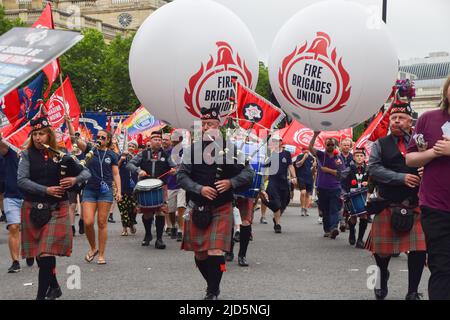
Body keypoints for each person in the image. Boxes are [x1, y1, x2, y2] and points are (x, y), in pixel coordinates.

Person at [177, 107, 253, 300]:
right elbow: (181, 176)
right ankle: (213, 286)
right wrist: (198, 188)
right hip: (198, 205)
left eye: (210, 124)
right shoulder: (192, 150)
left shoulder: (230, 148)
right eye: (203, 124)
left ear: (219, 125)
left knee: (215, 250)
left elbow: (248, 173)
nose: (205, 127)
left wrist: (231, 183)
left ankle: (212, 292)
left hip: (222, 206)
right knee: (201, 255)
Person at [17, 117, 90, 299]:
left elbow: (86, 172)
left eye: (41, 133)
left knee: (46, 252)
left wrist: (75, 179)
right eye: (34, 134)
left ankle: (40, 297)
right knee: (41, 255)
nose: (37, 137)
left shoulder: (62, 155)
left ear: (49, 135)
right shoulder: (26, 155)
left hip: (58, 208)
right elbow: (22, 180)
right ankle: (55, 287)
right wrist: (46, 190)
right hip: (33, 208)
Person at [367, 102, 426, 300]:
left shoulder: (420, 144)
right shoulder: (379, 144)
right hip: (388, 204)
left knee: (419, 250)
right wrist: (400, 177)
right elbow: (373, 168)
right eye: (393, 118)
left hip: (414, 203)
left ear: (411, 123)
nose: (396, 121)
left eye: (401, 118)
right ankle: (381, 278)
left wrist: (425, 170)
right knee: (382, 252)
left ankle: (412, 292)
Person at [406, 75, 450, 300]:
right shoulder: (428, 118)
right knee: (441, 267)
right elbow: (410, 158)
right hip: (436, 207)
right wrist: (434, 152)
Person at [76, 129, 122, 265]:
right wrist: (69, 124)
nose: (100, 139)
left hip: (105, 191)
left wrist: (119, 191)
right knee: (88, 222)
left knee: (102, 222)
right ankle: (93, 248)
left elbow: (116, 174)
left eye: (103, 137)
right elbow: (76, 142)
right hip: (89, 190)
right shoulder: (90, 150)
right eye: (98, 136)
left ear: (108, 140)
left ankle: (101, 254)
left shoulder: (112, 155)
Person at [127, 131, 176, 249]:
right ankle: (148, 234)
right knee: (147, 213)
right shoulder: (143, 154)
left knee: (160, 212)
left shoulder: (166, 155)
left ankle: (159, 239)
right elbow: (130, 164)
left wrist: (174, 170)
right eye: (156, 139)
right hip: (145, 187)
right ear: (150, 141)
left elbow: (174, 166)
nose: (158, 141)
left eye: (160, 139)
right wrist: (139, 171)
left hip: (161, 187)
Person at [309, 133, 345, 239]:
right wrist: (315, 135)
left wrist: (328, 170)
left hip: (335, 187)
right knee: (325, 210)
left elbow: (341, 173)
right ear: (325, 145)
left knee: (334, 209)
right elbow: (310, 148)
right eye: (328, 145)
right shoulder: (320, 155)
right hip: (322, 187)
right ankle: (327, 230)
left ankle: (334, 228)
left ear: (335, 146)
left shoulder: (338, 158)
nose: (330, 146)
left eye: (332, 145)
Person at [260, 135, 297, 234]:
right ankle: (278, 224)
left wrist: (294, 177)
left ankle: (276, 217)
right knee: (276, 203)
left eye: (278, 141)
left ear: (281, 142)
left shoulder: (287, 154)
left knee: (285, 202)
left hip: (284, 182)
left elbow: (290, 166)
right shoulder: (270, 154)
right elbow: (263, 165)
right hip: (273, 182)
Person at [0, 135, 26, 273]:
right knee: (14, 227)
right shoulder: (10, 150)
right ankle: (15, 261)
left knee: (31, 229)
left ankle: (31, 253)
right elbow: (2, 145)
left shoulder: (35, 153)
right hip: (11, 196)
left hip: (30, 196)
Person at [344, 147, 369, 248]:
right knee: (353, 217)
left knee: (364, 216)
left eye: (361, 156)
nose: (359, 158)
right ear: (353, 157)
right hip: (352, 195)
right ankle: (351, 233)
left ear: (364, 157)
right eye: (357, 156)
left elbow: (374, 180)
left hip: (364, 195)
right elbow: (342, 179)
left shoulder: (368, 168)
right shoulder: (349, 168)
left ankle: (360, 240)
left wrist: (368, 183)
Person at [166, 130, 187, 242]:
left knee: (181, 206)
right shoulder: (167, 152)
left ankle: (181, 229)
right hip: (170, 183)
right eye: (172, 139)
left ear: (181, 139)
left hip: (182, 183)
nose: (173, 141)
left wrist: (178, 170)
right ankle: (173, 225)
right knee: (171, 209)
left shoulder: (187, 151)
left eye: (176, 139)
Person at [117, 140, 139, 236]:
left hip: (134, 188)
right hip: (122, 187)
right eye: (129, 145)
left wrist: (132, 157)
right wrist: (121, 159)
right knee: (123, 208)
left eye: (133, 146)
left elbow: (140, 168)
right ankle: (124, 228)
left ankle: (132, 223)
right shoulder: (121, 157)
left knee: (133, 208)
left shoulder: (138, 157)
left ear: (136, 149)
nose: (130, 147)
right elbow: (115, 169)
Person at [294, 148, 315, 216]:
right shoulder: (300, 156)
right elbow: (297, 165)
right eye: (304, 150)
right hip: (301, 177)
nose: (306, 151)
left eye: (307, 150)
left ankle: (306, 209)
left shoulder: (312, 158)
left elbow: (313, 171)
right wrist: (304, 158)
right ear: (302, 151)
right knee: (303, 192)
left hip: (309, 178)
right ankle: (302, 208)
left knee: (308, 194)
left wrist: (314, 166)